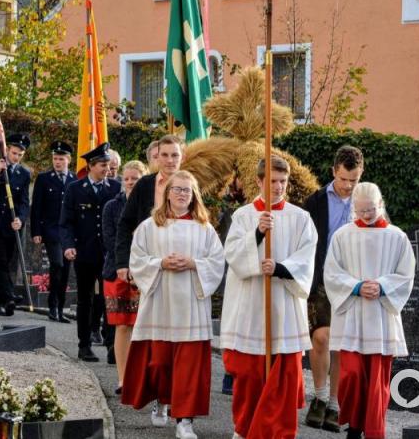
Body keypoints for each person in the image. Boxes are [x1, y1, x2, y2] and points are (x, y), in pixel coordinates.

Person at [121, 171, 225, 439]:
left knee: (189, 366)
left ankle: (185, 421)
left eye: (187, 191)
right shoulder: (149, 226)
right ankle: (162, 400)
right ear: (167, 193)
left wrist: (193, 263)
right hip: (160, 302)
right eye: (177, 189)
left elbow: (216, 262)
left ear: (194, 196)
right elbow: (137, 260)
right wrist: (160, 263)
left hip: (191, 304)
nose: (181, 194)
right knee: (159, 362)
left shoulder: (205, 229)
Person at [221, 156, 318, 439]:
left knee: (283, 377)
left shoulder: (301, 218)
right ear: (260, 181)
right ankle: (244, 427)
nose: (277, 187)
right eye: (272, 181)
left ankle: (278, 431)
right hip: (251, 305)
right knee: (250, 375)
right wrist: (258, 233)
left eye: (282, 182)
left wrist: (280, 268)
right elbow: (234, 257)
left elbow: (307, 259)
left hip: (284, 305)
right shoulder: (243, 216)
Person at [324, 182, 415, 439]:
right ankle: (353, 426)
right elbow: (331, 273)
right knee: (351, 374)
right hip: (352, 314)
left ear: (381, 205)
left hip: (381, 316)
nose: (366, 215)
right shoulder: (343, 235)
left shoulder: (397, 237)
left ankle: (374, 431)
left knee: (377, 380)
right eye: (361, 210)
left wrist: (383, 286)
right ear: (354, 208)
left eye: (371, 210)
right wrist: (355, 287)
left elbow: (406, 274)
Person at [302, 144, 365, 432]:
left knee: (340, 342)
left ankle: (335, 403)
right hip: (320, 279)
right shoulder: (314, 202)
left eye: (354, 180)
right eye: (343, 180)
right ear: (333, 172)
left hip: (350, 282)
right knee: (322, 338)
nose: (348, 186)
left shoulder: (366, 201)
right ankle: (318, 396)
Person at [59, 142, 121, 362]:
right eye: (102, 164)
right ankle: (84, 345)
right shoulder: (75, 189)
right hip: (84, 253)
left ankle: (113, 345)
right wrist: (68, 246)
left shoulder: (115, 188)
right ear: (91, 166)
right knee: (86, 299)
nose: (107, 168)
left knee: (110, 299)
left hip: (109, 254)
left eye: (108, 164)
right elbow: (66, 222)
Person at [101, 160, 147, 391]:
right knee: (122, 326)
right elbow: (110, 239)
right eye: (126, 178)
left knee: (143, 326)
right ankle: (123, 378)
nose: (129, 182)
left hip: (145, 272)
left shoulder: (151, 206)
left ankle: (141, 377)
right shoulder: (111, 206)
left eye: (135, 178)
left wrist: (140, 266)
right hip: (117, 271)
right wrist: (126, 266)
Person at [115, 134, 184, 279]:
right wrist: (122, 262)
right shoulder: (144, 185)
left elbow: (201, 221)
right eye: (164, 155)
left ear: (182, 157)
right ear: (157, 157)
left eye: (175, 155)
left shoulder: (192, 185)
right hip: (150, 263)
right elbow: (125, 224)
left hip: (181, 262)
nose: (170, 160)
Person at [0, 133, 32, 317]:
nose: (16, 157)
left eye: (19, 154)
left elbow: (24, 202)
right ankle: (9, 295)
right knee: (0, 262)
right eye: (13, 153)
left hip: (10, 226)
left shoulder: (24, 174)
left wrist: (21, 218)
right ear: (7, 151)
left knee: (6, 263)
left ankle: (1, 302)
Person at [30, 140, 76, 323]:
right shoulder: (44, 178)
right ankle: (52, 306)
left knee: (66, 269)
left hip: (69, 233)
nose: (57, 162)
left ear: (68, 160)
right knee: (56, 264)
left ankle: (60, 308)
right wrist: (36, 231)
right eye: (55, 159)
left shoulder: (74, 180)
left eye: (61, 159)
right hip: (51, 230)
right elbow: (37, 208)